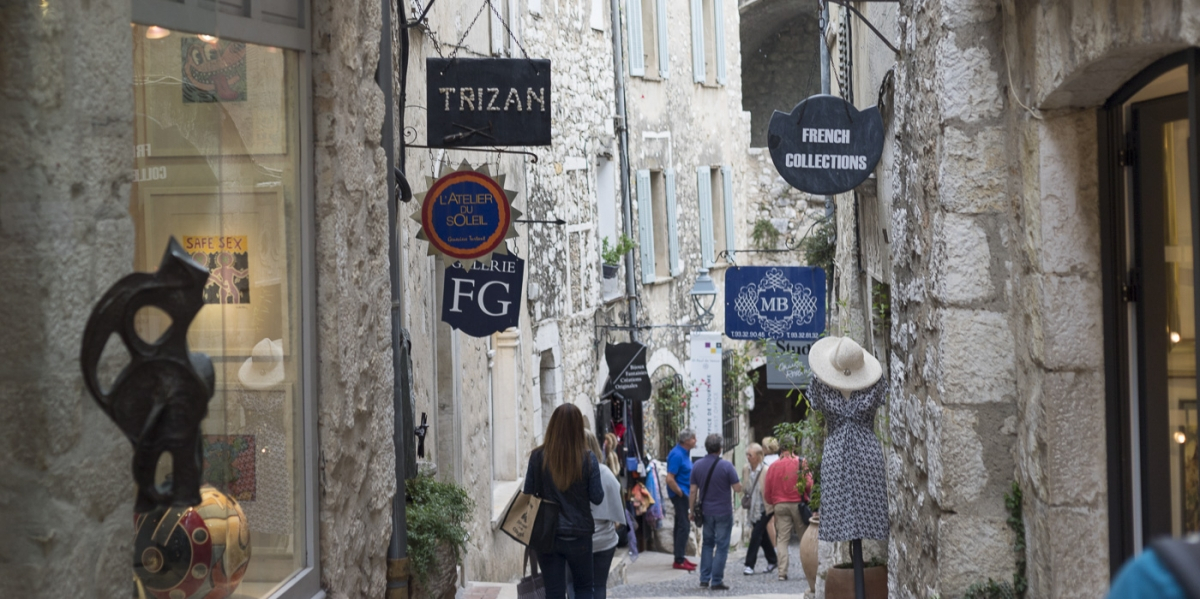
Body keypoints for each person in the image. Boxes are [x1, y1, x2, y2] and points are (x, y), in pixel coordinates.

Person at [522, 404, 604, 599]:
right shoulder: (588, 459)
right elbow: (597, 497)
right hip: (579, 534)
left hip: (548, 535)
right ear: (578, 429)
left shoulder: (537, 457)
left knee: (554, 591)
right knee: (584, 588)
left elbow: (528, 494)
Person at [690, 433, 743, 591]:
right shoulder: (727, 466)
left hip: (706, 512)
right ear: (720, 449)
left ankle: (704, 579)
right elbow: (737, 488)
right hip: (723, 511)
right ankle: (717, 580)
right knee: (721, 546)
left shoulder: (697, 465)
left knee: (707, 544)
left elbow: (693, 491)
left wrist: (691, 510)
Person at [762, 433, 812, 582]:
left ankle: (782, 573)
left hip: (780, 505)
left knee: (782, 539)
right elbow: (809, 484)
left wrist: (774, 502)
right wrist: (805, 495)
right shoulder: (800, 463)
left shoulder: (773, 466)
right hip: (798, 504)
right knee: (804, 539)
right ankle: (808, 570)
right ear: (794, 447)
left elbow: (767, 490)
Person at [584, 430, 624, 599]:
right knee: (599, 584)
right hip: (604, 540)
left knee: (574, 584)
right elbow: (616, 508)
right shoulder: (605, 472)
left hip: (575, 538)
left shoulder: (567, 474)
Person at [741, 443, 777, 575]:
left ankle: (749, 564)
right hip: (753, 508)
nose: (748, 457)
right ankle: (773, 560)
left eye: (750, 455)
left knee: (756, 535)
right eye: (747, 454)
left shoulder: (766, 470)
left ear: (758, 457)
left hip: (765, 507)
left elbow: (771, 489)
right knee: (762, 536)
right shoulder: (746, 469)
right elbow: (745, 486)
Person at [666, 428, 698, 571]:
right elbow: (670, 478)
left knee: (680, 525)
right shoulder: (677, 455)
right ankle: (679, 559)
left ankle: (679, 556)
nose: (695, 441)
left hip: (684, 493)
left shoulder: (684, 453)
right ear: (686, 441)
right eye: (693, 438)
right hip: (680, 495)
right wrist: (680, 493)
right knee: (684, 526)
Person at [760, 436, 781, 549]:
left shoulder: (764, 462)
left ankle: (774, 546)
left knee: (770, 522)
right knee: (780, 521)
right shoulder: (780, 459)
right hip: (781, 493)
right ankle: (781, 545)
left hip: (769, 493)